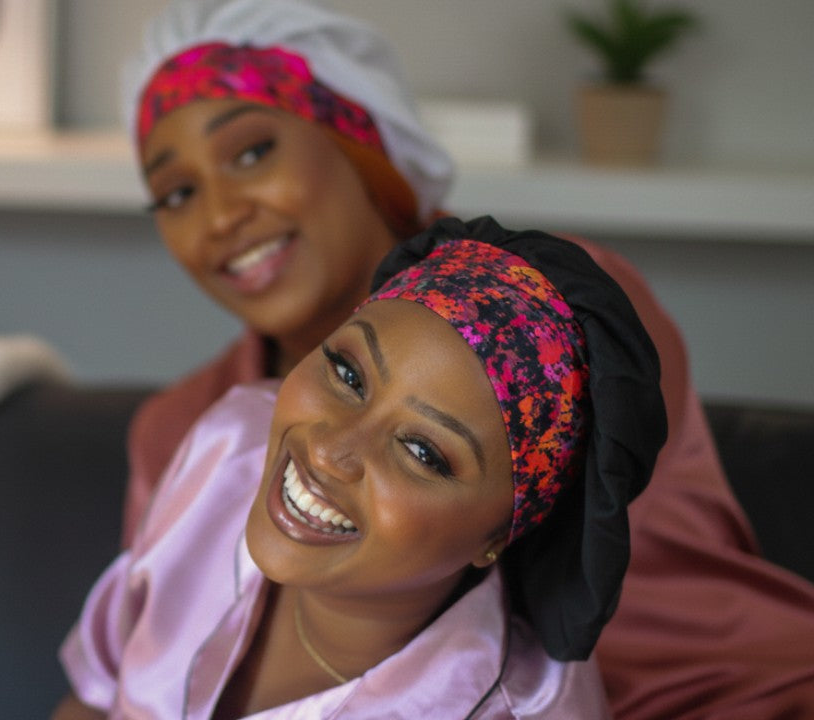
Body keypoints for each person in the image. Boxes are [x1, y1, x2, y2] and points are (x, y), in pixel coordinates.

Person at [116, 1, 814, 717]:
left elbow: (630, 601)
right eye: (176, 193)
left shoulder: (568, 322)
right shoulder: (191, 432)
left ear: (359, 135)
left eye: (253, 152)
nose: (221, 215)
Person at [56, 218, 666, 719]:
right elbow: (94, 698)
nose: (329, 452)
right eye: (349, 374)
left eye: (423, 452)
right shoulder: (228, 450)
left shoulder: (518, 708)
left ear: (498, 535)